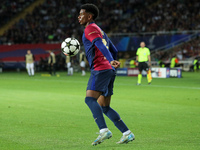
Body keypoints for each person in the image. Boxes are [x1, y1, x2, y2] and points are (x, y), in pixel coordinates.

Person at [78, 3, 135, 146]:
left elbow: (100, 45)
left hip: (100, 69)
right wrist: (112, 62)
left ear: (89, 16)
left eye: (81, 14)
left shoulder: (90, 28)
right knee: (104, 107)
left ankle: (103, 130)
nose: (79, 16)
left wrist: (110, 60)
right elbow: (114, 49)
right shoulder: (101, 30)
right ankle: (127, 133)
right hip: (109, 70)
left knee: (90, 100)